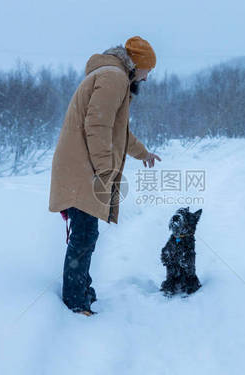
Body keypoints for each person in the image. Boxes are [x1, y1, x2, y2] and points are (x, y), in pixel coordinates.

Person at [48, 36, 161, 316]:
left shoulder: (113, 75)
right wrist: (103, 170)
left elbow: (116, 131)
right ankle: (75, 300)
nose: (147, 77)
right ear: (138, 65)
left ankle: (82, 288)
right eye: (148, 70)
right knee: (84, 234)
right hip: (83, 168)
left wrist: (142, 153)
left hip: (83, 166)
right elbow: (97, 126)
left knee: (87, 232)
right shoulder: (114, 78)